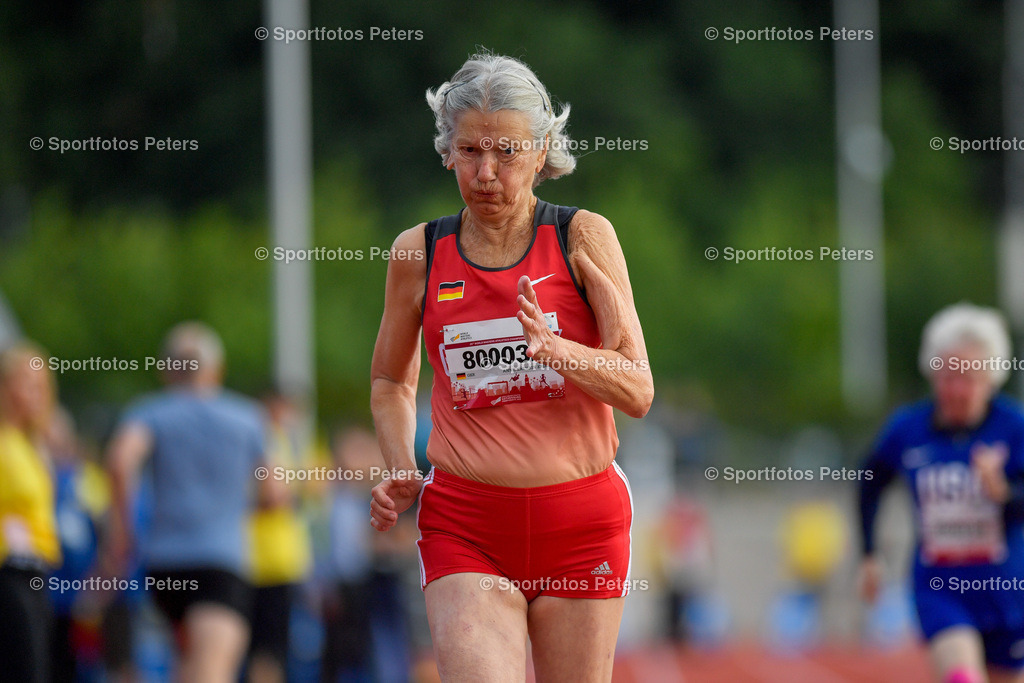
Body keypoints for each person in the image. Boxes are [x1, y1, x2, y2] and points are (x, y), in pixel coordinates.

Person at [369, 52, 654, 681]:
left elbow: (637, 389)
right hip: (467, 524)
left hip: (581, 525)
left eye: (505, 151)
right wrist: (400, 465)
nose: (487, 172)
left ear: (543, 148)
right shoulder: (419, 253)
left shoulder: (583, 237)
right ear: (446, 150)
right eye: (470, 151)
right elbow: (391, 379)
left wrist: (561, 352)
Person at [858, 303, 1024, 683]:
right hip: (940, 587)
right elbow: (870, 481)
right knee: (962, 676)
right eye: (947, 377)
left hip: (1006, 590)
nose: (956, 390)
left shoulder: (1014, 427)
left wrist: (1001, 491)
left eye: (969, 379)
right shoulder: (908, 430)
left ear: (991, 378)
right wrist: (869, 553)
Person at [105, 322, 279, 682]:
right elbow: (274, 494)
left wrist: (122, 531)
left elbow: (120, 461)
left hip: (164, 563)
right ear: (216, 368)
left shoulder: (150, 412)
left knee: (184, 667)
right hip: (220, 560)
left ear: (167, 369)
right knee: (212, 670)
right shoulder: (247, 417)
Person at [0, 344, 60, 683]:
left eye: (41, 385)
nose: (35, 394)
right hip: (7, 569)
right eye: (26, 383)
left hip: (36, 569)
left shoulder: (29, 445)